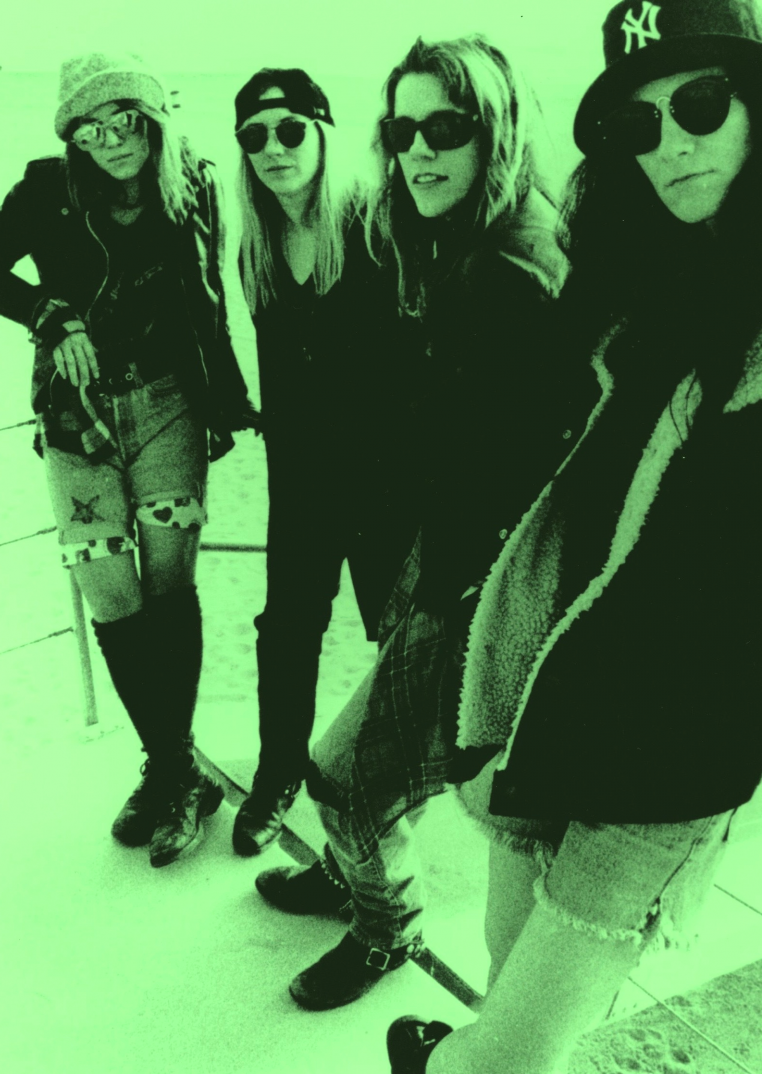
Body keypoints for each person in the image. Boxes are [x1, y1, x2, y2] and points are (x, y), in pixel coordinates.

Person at [385, 2, 762, 1071]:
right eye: (638, 125)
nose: (672, 142)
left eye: (700, 104)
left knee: (507, 1053)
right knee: (509, 973)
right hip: (553, 714)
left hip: (675, 760)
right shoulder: (640, 289)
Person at [255, 35, 598, 1010]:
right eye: (401, 130)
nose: (417, 151)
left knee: (340, 778)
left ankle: (384, 929)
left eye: (444, 128)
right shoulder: (467, 241)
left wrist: (455, 596)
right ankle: (351, 874)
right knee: (371, 767)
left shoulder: (512, 272)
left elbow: (543, 469)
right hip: (441, 555)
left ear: (495, 130)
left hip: (477, 583)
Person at [0, 52, 259, 869]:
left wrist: (228, 400)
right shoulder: (46, 188)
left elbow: (209, 297)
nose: (110, 141)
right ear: (71, 137)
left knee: (169, 587)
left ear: (152, 119)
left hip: (169, 404)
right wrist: (49, 314)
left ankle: (168, 774)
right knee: (106, 586)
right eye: (90, 129)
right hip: (75, 415)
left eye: (125, 122)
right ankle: (177, 770)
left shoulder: (195, 183)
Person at [230, 68, 421, 857]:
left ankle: (387, 799)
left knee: (396, 634)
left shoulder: (377, 224)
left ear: (322, 133)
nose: (273, 148)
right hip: (302, 477)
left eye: (290, 130)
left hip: (385, 477)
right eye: (255, 136)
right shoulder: (257, 247)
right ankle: (279, 771)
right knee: (286, 627)